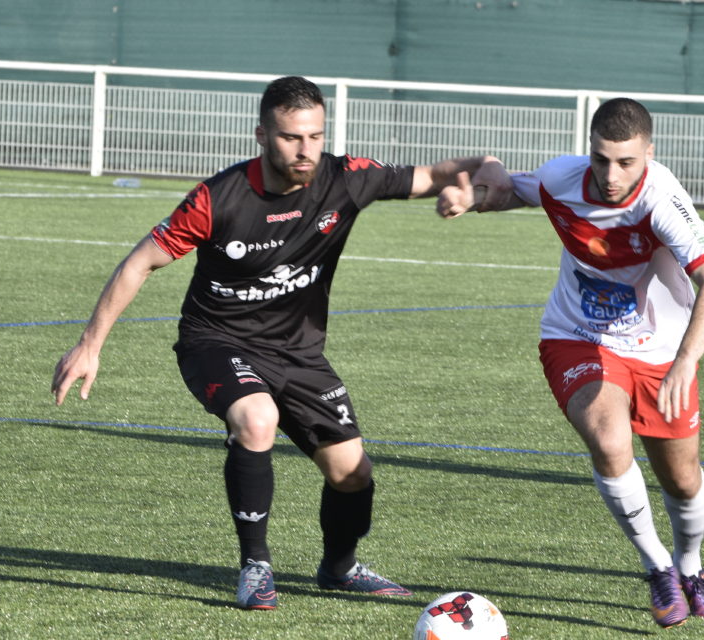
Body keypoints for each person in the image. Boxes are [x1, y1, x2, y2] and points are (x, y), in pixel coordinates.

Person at [51, 76, 511, 610]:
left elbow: (443, 173)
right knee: (256, 419)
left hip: (298, 352)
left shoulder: (346, 178)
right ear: (262, 136)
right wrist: (90, 344)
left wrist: (487, 171)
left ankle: (338, 568)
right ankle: (255, 566)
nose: (305, 149)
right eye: (292, 137)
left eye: (315, 136)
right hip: (215, 340)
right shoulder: (217, 198)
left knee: (352, 474)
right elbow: (139, 263)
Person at [439, 98, 704, 629]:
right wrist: (474, 194)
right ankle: (659, 568)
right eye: (601, 159)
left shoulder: (662, 199)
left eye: (626, 162)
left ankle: (691, 568)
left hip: (663, 351)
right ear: (589, 149)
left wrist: (686, 361)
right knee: (608, 438)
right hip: (577, 337)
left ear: (649, 152)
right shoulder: (562, 177)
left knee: (683, 479)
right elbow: (509, 187)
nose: (611, 174)